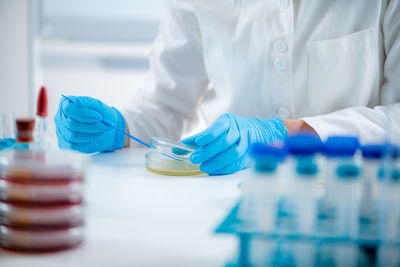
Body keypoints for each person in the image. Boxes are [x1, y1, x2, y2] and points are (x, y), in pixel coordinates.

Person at [55, 0, 400, 175]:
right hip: (230, 198)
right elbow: (166, 103)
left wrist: (287, 133)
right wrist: (120, 127)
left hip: (356, 194)